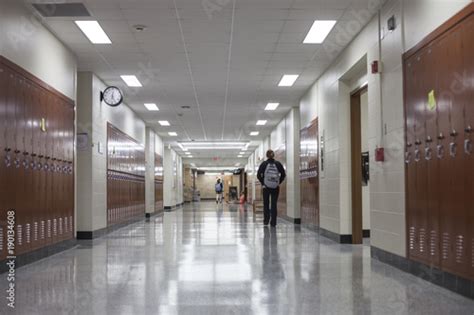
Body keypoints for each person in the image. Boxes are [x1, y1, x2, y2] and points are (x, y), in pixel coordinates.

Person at [257, 149, 286, 227]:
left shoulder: (264, 164)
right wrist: (278, 182)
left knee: (266, 204)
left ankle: (266, 221)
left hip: (266, 187)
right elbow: (283, 174)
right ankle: (273, 222)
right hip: (275, 187)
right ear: (273, 155)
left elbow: (258, 175)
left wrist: (263, 183)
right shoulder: (278, 164)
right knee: (274, 204)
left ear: (266, 155)